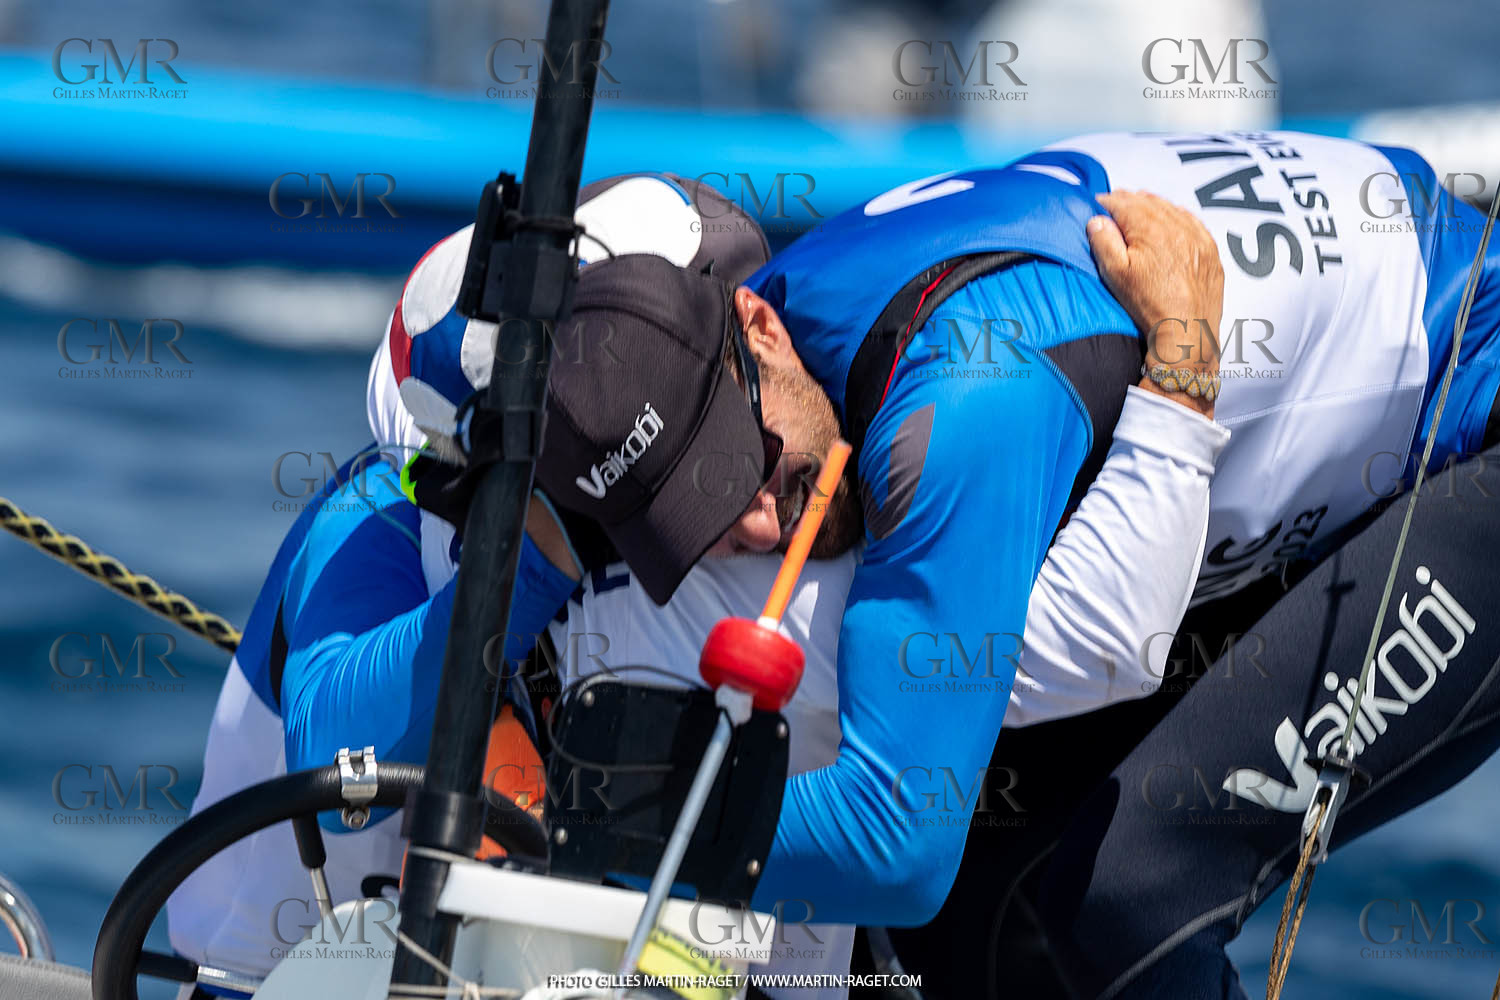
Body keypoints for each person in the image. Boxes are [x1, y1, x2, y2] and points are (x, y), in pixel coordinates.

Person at [170, 164, 1222, 994]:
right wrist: (536, 552)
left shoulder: (752, 514)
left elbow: (1069, 658)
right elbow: (336, 749)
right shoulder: (377, 519)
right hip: (282, 974)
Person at [539, 131, 1500, 998]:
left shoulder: (955, 406)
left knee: (1134, 891)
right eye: (695, 520)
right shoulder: (793, 345)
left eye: (739, 467)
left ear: (760, 328)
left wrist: (585, 813)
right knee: (977, 913)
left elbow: (897, 843)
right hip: (1277, 464)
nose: (752, 524)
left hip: (1471, 418)